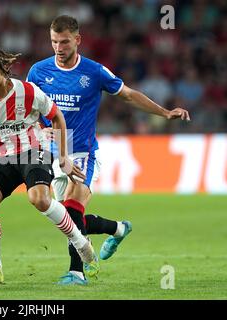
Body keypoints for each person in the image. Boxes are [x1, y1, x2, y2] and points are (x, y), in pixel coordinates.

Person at [27, 15, 190, 285]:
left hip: (83, 154)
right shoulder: (38, 72)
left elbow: (128, 94)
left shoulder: (94, 72)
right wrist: (37, 128)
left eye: (65, 41)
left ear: (77, 40)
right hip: (52, 155)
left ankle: (76, 273)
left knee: (73, 209)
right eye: (54, 41)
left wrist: (164, 112)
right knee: (67, 219)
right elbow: (29, 108)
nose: (59, 47)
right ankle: (118, 228)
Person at [0, 45, 96, 285]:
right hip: (2, 158)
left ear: (3, 70)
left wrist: (62, 157)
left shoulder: (28, 92)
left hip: (33, 151)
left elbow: (57, 116)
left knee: (39, 199)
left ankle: (81, 243)